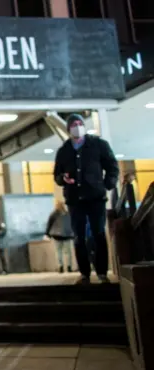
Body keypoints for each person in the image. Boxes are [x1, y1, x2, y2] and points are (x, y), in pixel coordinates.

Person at [53, 113, 119, 284]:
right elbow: (57, 175)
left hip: (96, 197)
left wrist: (107, 183)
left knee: (98, 234)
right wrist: (63, 179)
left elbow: (112, 166)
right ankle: (84, 273)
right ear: (68, 129)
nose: (77, 126)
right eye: (73, 124)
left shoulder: (98, 145)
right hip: (75, 200)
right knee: (78, 236)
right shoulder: (64, 150)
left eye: (79, 123)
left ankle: (102, 272)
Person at [45, 200, 75, 273]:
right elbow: (71, 225)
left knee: (58, 252)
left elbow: (49, 224)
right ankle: (69, 267)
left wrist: (47, 234)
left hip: (56, 236)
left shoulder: (53, 214)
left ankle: (60, 267)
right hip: (67, 236)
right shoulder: (67, 214)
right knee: (68, 252)